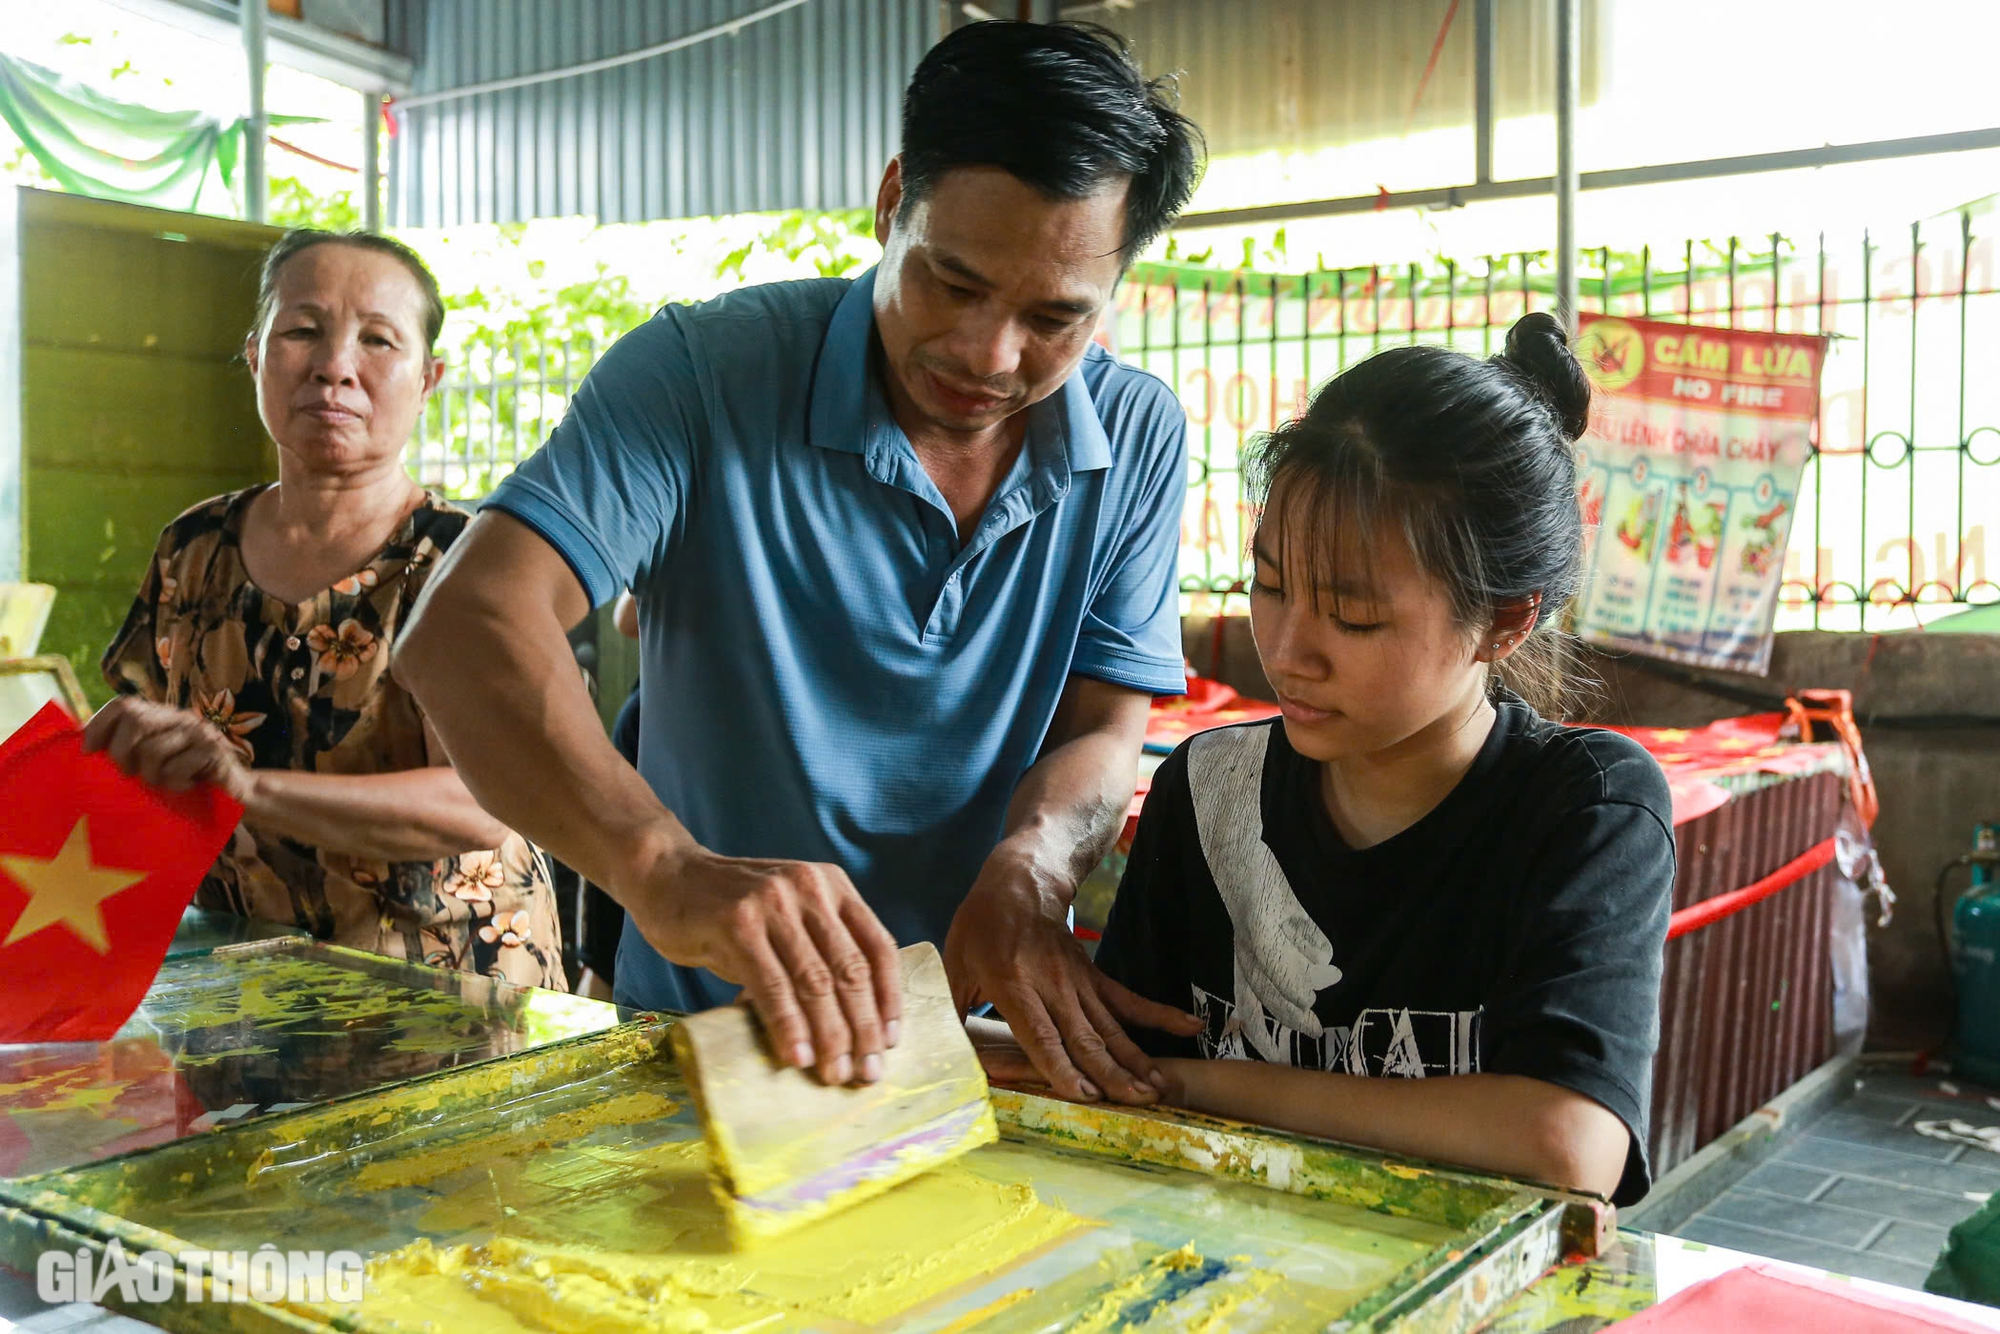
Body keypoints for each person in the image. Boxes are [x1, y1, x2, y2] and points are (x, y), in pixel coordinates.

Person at [395, 21, 1204, 1099]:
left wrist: (1036, 864)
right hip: (688, 1033)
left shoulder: (1138, 434)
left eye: (1056, 317)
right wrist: (664, 870)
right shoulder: (698, 374)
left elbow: (1108, 720)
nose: (988, 354)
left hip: (951, 1044)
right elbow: (466, 628)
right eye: (952, 282)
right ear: (889, 201)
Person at [975, 313, 1675, 1204]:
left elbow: (1567, 1142)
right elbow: (1121, 1070)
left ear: (1505, 621)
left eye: (1354, 617)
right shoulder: (1210, 791)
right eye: (1269, 586)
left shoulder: (1585, 808)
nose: (1290, 650)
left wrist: (1202, 1087)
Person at [87, 230, 567, 991]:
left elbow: (487, 802)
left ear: (428, 377)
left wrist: (246, 786)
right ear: (255, 355)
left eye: (378, 339)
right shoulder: (194, 548)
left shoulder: (464, 562)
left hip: (451, 991)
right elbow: (140, 746)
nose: (334, 367)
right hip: (244, 981)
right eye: (302, 331)